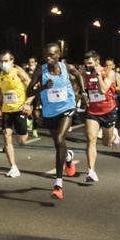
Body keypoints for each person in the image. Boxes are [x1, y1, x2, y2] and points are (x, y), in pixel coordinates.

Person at [28, 42, 81, 200]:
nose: (49, 58)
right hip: (50, 112)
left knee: (59, 139)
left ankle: (58, 184)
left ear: (59, 54)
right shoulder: (40, 70)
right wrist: (42, 88)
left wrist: (82, 92)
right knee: (59, 144)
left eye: (52, 55)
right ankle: (68, 157)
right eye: (46, 55)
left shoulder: (67, 67)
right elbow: (28, 91)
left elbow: (78, 75)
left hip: (67, 107)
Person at [0, 50, 31, 178]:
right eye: (2, 61)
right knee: (6, 135)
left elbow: (32, 86)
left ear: (12, 61)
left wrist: (28, 103)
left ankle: (26, 127)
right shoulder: (0, 75)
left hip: (20, 109)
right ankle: (13, 167)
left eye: (6, 61)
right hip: (6, 110)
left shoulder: (17, 71)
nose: (4, 63)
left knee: (22, 140)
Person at [79, 50, 117, 183]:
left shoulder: (109, 72)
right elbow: (82, 89)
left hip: (108, 110)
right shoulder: (85, 74)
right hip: (92, 111)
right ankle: (91, 171)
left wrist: (98, 75)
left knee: (107, 143)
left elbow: (103, 89)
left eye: (90, 63)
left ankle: (114, 135)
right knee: (91, 139)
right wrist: (83, 96)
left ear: (97, 62)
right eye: (86, 63)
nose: (87, 66)